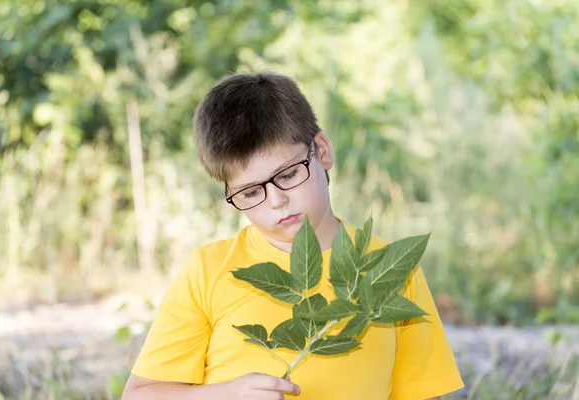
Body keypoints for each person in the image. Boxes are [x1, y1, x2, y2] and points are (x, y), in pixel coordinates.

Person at [122, 72, 464, 399]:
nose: (276, 201)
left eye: (286, 175)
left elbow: (420, 393)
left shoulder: (390, 270)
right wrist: (225, 395)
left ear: (322, 152)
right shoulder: (207, 270)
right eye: (251, 193)